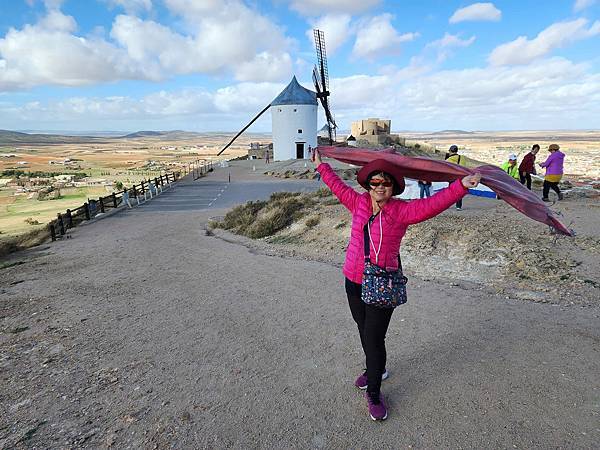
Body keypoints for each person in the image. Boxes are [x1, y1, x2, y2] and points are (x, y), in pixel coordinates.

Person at [312, 149, 481, 421]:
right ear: (368, 185)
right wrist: (322, 167)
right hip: (353, 280)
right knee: (362, 328)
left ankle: (375, 392)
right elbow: (336, 186)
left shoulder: (401, 212)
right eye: (375, 182)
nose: (380, 187)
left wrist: (460, 186)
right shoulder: (358, 203)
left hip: (381, 284)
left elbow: (432, 204)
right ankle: (375, 369)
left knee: (373, 339)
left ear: (393, 186)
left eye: (385, 183)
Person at [444, 145, 467, 210]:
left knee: (451, 191)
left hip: (452, 177)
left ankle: (447, 204)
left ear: (451, 151)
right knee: (459, 191)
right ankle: (458, 206)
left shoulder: (449, 159)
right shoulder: (462, 158)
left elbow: (445, 168)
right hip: (460, 177)